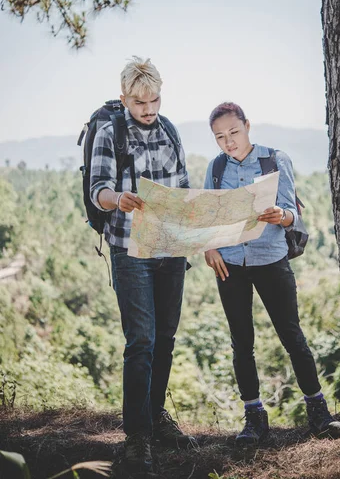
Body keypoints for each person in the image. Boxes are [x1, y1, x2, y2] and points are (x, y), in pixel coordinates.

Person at [204, 102, 340, 445]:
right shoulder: (216, 167)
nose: (229, 142)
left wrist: (281, 215)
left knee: (292, 336)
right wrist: (209, 248)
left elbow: (295, 217)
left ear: (247, 126)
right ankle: (254, 418)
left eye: (234, 133)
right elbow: (208, 216)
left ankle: (319, 412)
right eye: (220, 137)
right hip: (231, 264)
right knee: (242, 343)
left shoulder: (274, 160)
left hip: (271, 259)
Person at [90, 56, 195, 474]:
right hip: (130, 250)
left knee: (166, 337)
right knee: (142, 342)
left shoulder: (169, 129)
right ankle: (136, 438)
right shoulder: (109, 131)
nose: (148, 109)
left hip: (171, 249)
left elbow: (183, 186)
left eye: (153, 100)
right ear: (124, 98)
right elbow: (97, 188)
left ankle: (154, 420)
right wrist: (119, 199)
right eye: (139, 103)